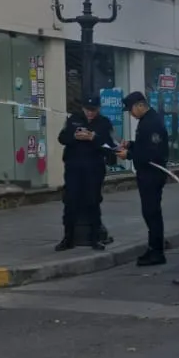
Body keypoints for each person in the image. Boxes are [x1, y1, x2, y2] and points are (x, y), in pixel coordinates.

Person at [116, 92, 170, 266]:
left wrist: (129, 154)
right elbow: (145, 146)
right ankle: (154, 246)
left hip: (152, 174)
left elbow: (153, 153)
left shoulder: (152, 123)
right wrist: (131, 144)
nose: (131, 114)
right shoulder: (147, 120)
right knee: (149, 212)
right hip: (147, 173)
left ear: (140, 105)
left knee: (152, 212)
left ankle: (157, 251)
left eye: (131, 109)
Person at [57, 97, 116, 251]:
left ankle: (96, 238)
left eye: (93, 110)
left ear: (98, 109)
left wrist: (94, 138)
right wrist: (74, 137)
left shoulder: (104, 123)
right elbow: (62, 138)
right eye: (87, 110)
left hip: (94, 169)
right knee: (70, 202)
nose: (90, 113)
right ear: (83, 108)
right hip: (74, 168)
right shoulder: (74, 119)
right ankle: (68, 238)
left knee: (93, 202)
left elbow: (110, 147)